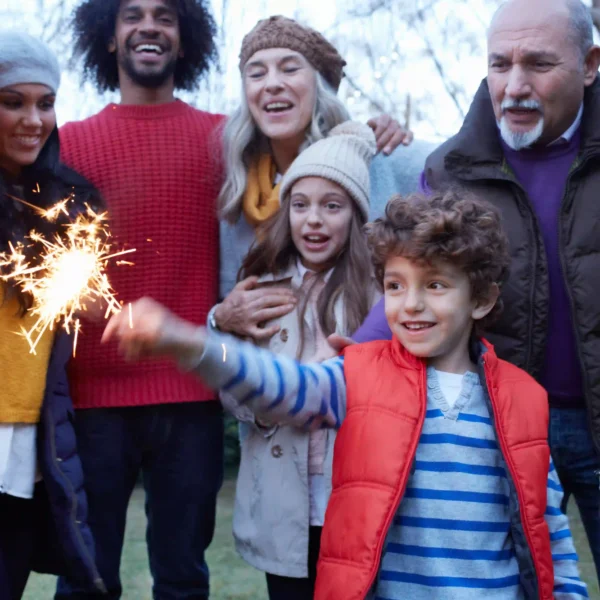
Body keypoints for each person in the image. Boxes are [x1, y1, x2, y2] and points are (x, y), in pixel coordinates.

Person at [104, 189, 588, 600]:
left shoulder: (524, 398)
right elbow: (284, 387)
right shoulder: (359, 374)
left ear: (480, 299)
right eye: (395, 286)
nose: (411, 304)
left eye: (436, 285)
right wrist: (193, 342)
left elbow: (548, 533)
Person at [350, 0, 600, 582]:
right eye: (499, 64)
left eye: (538, 64)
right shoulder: (449, 169)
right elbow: (417, 272)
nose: (514, 86)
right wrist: (351, 355)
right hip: (502, 428)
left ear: (590, 65)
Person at [56, 1, 225, 598]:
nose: (148, 26)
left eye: (165, 16)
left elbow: (307, 149)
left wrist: (373, 132)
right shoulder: (68, 144)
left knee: (183, 579)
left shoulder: (225, 138)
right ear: (108, 37)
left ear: (185, 41)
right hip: (91, 396)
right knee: (85, 580)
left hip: (192, 392)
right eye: (132, 15)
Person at [218, 121, 380, 599]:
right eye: (301, 204)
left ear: (355, 215)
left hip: (350, 492)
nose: (314, 220)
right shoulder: (260, 287)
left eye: (332, 206)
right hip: (282, 497)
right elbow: (232, 385)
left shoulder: (377, 296)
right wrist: (259, 399)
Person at [213, 15, 433, 341]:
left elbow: (458, 173)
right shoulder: (239, 193)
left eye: (289, 68)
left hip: (376, 377)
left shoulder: (378, 157)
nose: (272, 83)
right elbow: (229, 311)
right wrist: (218, 319)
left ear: (319, 85)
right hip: (278, 382)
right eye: (257, 73)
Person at [0, 30, 105, 599]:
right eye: (12, 101)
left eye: (44, 103)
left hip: (26, 441)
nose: (32, 119)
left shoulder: (67, 206)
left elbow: (90, 305)